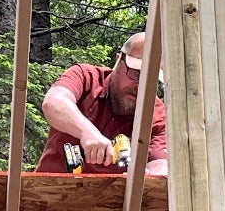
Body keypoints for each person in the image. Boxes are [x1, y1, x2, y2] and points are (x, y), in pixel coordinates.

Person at [36, 31, 168, 175]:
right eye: (136, 74)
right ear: (118, 61)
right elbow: (53, 102)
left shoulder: (158, 115)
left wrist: (149, 177)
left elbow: (160, 163)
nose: (141, 86)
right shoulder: (85, 76)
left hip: (112, 197)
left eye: (151, 80)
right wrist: (87, 132)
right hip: (48, 191)